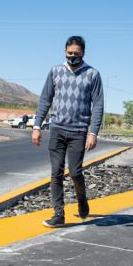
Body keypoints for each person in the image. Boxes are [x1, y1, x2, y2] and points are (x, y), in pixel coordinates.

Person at [32, 36, 104, 228]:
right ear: (65, 51)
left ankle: (82, 199)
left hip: (79, 131)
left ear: (83, 54)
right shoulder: (55, 71)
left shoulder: (92, 74)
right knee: (56, 173)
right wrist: (37, 126)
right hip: (57, 129)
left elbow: (97, 105)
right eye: (70, 53)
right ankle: (58, 214)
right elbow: (45, 100)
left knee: (75, 172)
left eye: (77, 54)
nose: (73, 56)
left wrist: (93, 132)